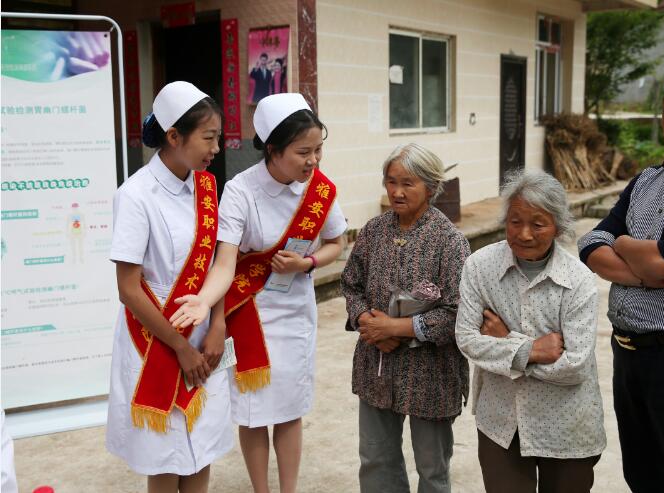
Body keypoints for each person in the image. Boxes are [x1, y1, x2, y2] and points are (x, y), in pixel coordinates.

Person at [170, 93, 347, 493]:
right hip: (249, 311)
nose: (313, 161)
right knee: (253, 412)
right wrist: (216, 320)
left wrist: (308, 263)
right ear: (273, 149)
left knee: (289, 409)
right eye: (303, 152)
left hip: (296, 313)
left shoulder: (318, 191)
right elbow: (224, 264)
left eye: (318, 150)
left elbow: (337, 243)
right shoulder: (241, 191)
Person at [578, 61, 664, 493]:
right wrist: (642, 270)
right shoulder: (647, 181)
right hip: (630, 355)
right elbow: (590, 243)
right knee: (643, 475)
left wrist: (624, 243)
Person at [105, 81, 233, 493]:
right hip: (155, 337)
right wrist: (179, 347)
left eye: (218, 137)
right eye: (208, 138)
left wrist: (218, 325)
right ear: (174, 137)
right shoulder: (135, 195)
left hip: (203, 335)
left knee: (201, 446)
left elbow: (214, 263)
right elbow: (128, 288)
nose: (216, 148)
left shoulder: (206, 188)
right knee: (164, 454)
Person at [456, 171, 606, 493]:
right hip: (502, 422)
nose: (524, 234)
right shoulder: (479, 266)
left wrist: (507, 342)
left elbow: (575, 366)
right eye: (515, 222)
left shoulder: (578, 280)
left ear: (558, 226)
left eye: (538, 224)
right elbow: (467, 339)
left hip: (567, 424)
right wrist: (532, 350)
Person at [340, 143, 470, 493]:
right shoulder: (373, 231)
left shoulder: (449, 241)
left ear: (431, 187)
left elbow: (458, 311)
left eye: (407, 183)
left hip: (430, 373)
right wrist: (367, 322)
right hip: (376, 365)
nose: (396, 191)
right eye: (391, 181)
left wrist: (397, 328)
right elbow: (351, 284)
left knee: (432, 468)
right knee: (375, 459)